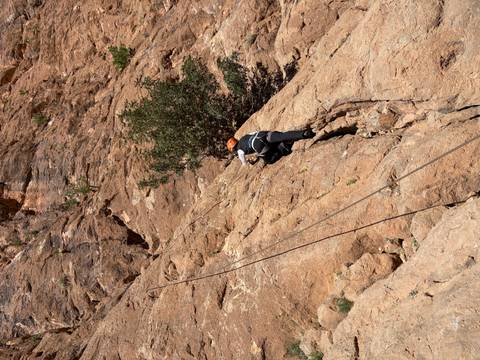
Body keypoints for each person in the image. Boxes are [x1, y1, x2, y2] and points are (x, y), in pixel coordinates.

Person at [227, 128, 315, 165]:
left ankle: (283, 147)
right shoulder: (243, 137)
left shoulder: (239, 151)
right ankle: (303, 133)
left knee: (269, 160)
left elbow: (244, 163)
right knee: (283, 136)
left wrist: (245, 163)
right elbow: (254, 132)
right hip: (263, 134)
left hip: (258, 145)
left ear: (233, 149)